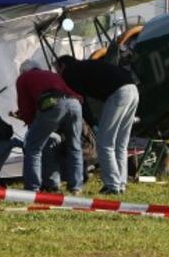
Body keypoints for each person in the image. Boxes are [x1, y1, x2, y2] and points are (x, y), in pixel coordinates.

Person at [55, 55, 139, 195]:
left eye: (57, 69)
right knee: (120, 143)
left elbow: (80, 101)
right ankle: (121, 184)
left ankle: (112, 186)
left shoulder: (69, 72)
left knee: (104, 143)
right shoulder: (85, 66)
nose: (57, 73)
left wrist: (92, 123)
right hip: (132, 89)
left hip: (118, 93)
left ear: (62, 66)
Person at [14, 58, 84, 194]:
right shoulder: (51, 74)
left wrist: (29, 122)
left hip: (53, 104)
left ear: (22, 71)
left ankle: (32, 188)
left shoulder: (23, 78)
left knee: (33, 147)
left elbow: (25, 105)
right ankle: (76, 187)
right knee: (74, 147)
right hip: (74, 104)